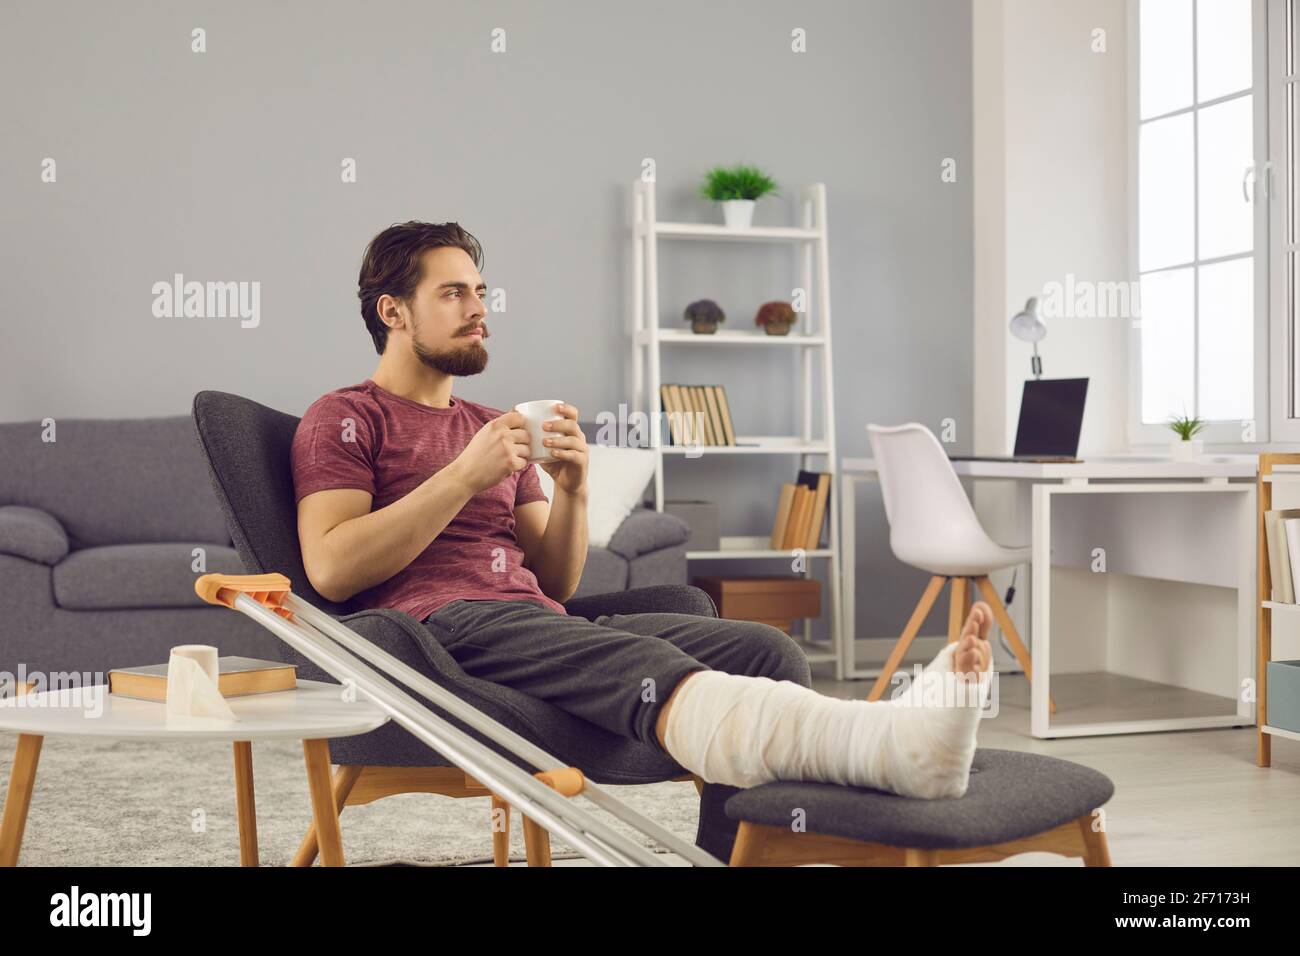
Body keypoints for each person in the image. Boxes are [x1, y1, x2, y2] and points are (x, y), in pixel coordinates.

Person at [290, 220, 994, 862]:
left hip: (532, 623)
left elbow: (555, 583)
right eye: (453, 294)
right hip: (438, 636)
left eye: (481, 292)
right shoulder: (347, 418)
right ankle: (885, 746)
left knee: (762, 649)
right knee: (651, 659)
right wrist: (463, 475)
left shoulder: (491, 421)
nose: (480, 310)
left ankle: (734, 856)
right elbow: (332, 568)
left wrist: (573, 486)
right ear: (393, 311)